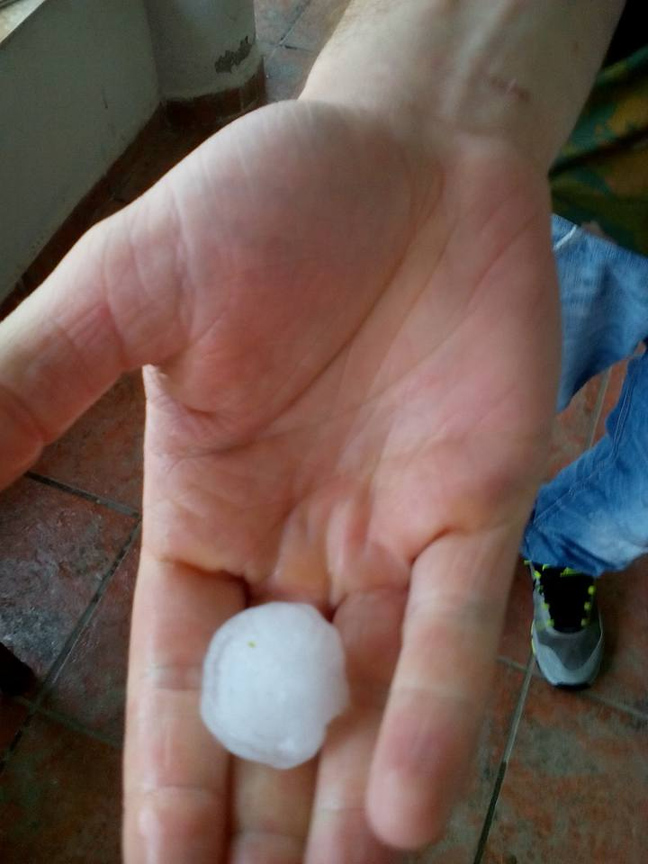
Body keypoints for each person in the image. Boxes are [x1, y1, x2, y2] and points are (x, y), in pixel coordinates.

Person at [0, 1, 640, 861]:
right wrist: (421, 117)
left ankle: (572, 545)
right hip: (558, 185)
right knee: (487, 414)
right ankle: (557, 543)